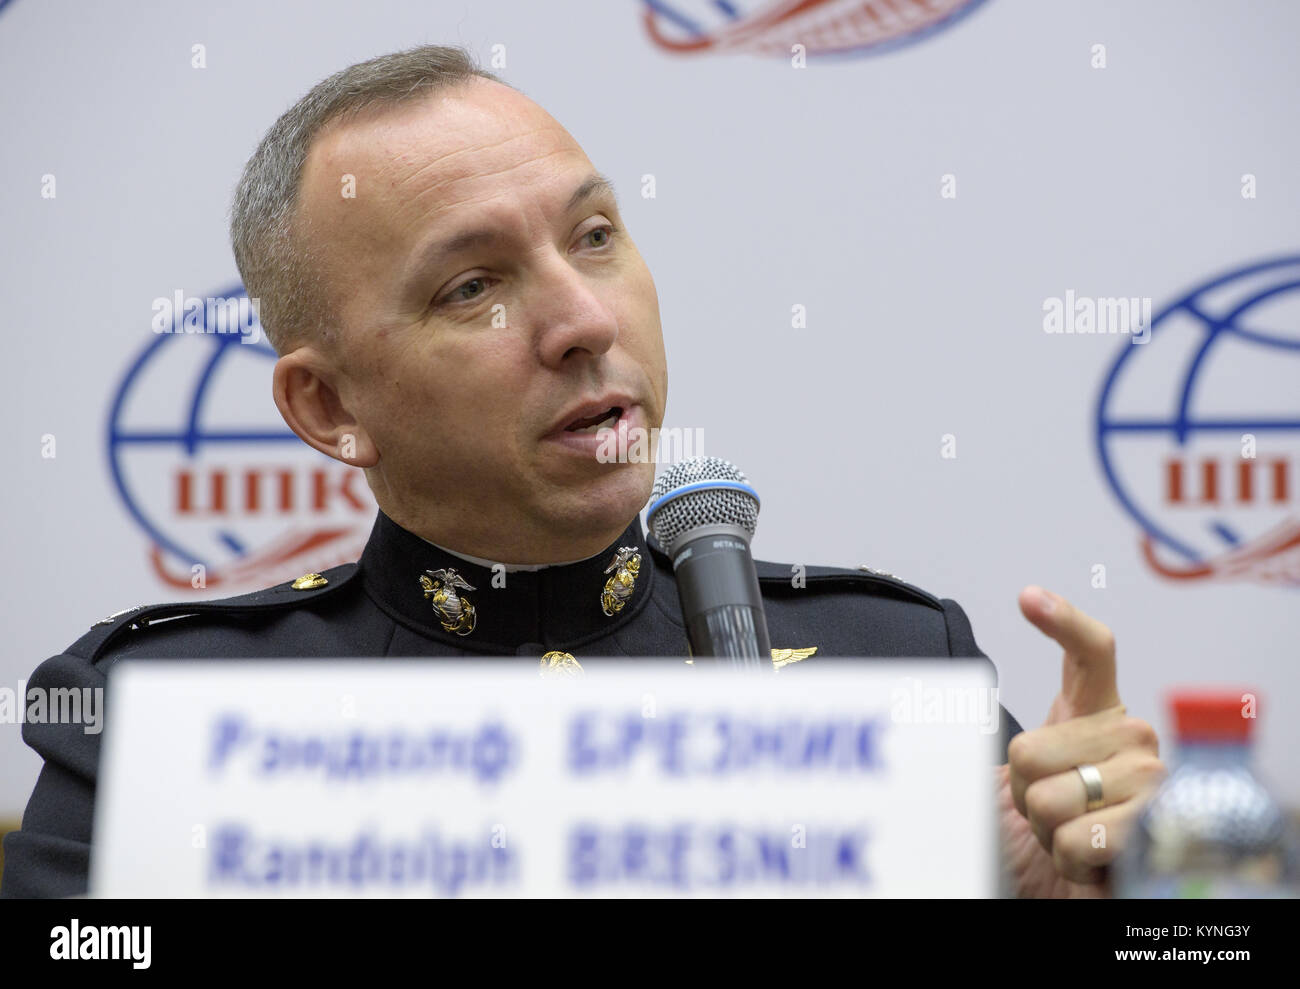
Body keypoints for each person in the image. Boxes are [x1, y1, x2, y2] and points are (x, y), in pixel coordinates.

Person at [0, 45, 1165, 899]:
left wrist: (1110, 903)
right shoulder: (156, 722)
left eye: (595, 235)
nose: (579, 318)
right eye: (472, 285)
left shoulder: (899, 665)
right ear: (329, 404)